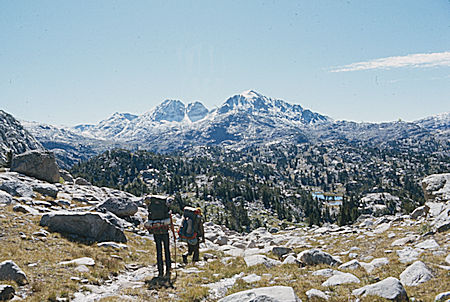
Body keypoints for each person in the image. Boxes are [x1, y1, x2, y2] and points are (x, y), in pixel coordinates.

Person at [144, 195, 172, 278]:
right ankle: (168, 269)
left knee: (159, 251)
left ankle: (160, 271)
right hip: (164, 231)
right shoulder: (164, 206)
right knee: (167, 250)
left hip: (156, 231)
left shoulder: (151, 205)